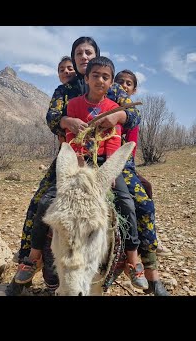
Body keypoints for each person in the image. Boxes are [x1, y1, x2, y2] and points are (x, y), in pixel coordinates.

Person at [10, 36, 168, 296]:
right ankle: (32, 258)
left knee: (140, 203)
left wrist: (119, 114)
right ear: (74, 58)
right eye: (79, 53)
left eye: (88, 52)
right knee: (40, 202)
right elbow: (52, 118)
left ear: (96, 56)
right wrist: (66, 122)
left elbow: (134, 115)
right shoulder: (65, 92)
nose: (83, 57)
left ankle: (146, 268)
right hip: (73, 158)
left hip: (112, 160)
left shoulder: (113, 89)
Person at [64, 56, 147, 288]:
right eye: (95, 75)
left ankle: (132, 258)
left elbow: (113, 140)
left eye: (105, 77)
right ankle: (37, 257)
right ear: (87, 78)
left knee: (127, 203)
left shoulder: (113, 108)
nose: (100, 80)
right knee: (52, 202)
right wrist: (78, 159)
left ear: (111, 82)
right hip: (80, 161)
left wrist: (110, 171)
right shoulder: (74, 105)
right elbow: (73, 137)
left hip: (105, 162)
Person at [114, 70, 170, 295]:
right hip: (94, 162)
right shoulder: (105, 104)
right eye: (120, 82)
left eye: (129, 83)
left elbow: (132, 149)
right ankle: (30, 258)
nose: (124, 86)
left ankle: (150, 271)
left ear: (134, 90)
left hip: (123, 165)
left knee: (145, 204)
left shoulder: (132, 115)